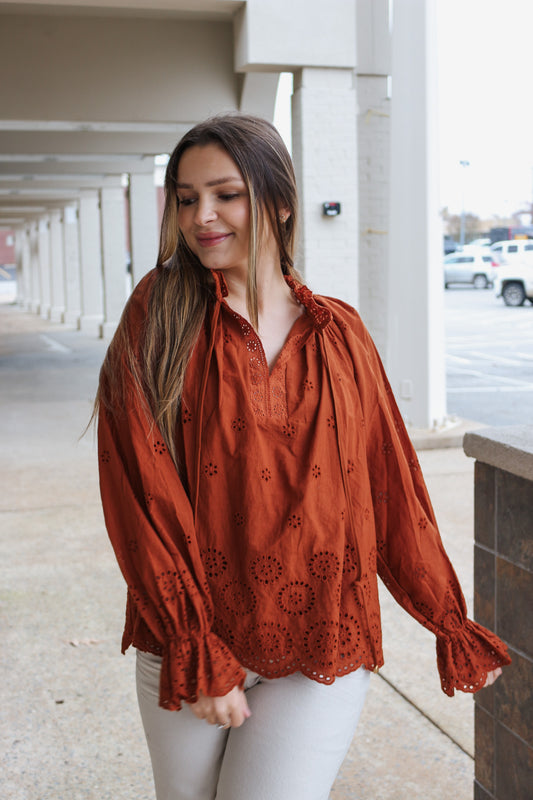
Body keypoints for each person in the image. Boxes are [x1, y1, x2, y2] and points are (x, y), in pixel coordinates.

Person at [96, 114, 510, 800]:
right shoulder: (158, 314)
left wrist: (445, 617)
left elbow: (389, 485)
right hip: (195, 636)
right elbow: (137, 486)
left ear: (279, 201)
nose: (202, 215)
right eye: (186, 196)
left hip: (323, 635)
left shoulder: (340, 332)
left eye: (225, 193)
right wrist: (192, 641)